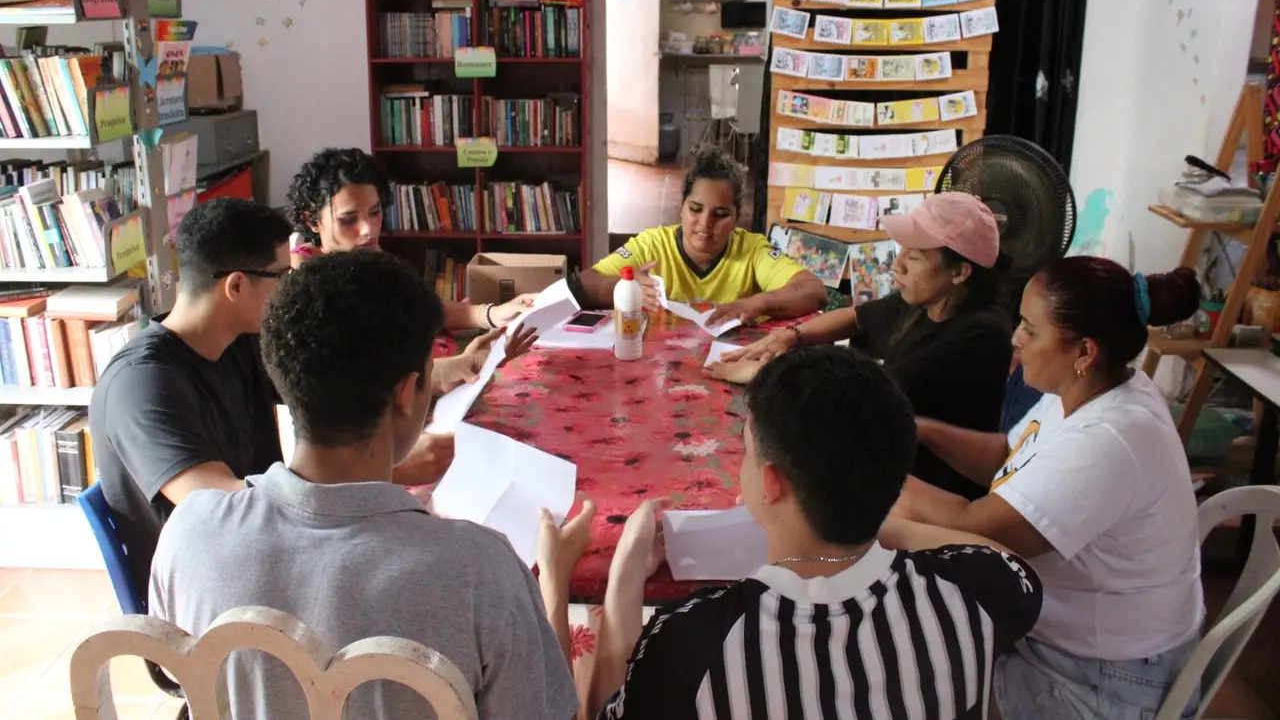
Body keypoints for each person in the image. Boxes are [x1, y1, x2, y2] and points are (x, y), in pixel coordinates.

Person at [150, 250, 579, 719]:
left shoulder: (189, 531)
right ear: (405, 393)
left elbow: (178, 676)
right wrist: (555, 585)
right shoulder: (482, 571)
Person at [588, 345, 1043, 719]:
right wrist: (864, 503)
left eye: (746, 452)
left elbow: (609, 709)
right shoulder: (978, 592)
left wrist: (626, 574)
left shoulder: (690, 640)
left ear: (771, 483)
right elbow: (1002, 556)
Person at [892, 257, 1204, 720]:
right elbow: (1009, 457)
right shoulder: (1096, 387)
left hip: (1105, 680)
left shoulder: (1109, 439)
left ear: (1084, 350)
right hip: (1085, 642)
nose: (1015, 338)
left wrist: (859, 470)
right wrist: (922, 430)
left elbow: (972, 530)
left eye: (1030, 329)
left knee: (901, 685)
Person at [712, 191, 1014, 500]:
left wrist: (764, 372)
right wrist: (789, 336)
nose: (896, 265)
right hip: (890, 459)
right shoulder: (928, 302)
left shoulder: (979, 336)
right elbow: (855, 317)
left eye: (913, 257)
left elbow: (864, 396)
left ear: (959, 272)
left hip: (934, 493)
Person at [89, 198, 293, 599]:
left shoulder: (238, 340)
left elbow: (329, 393)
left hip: (260, 559)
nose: (290, 291)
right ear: (236, 285)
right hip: (202, 605)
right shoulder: (141, 385)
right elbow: (222, 509)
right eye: (282, 277)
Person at [286, 147, 536, 330]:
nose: (368, 230)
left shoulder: (364, 255)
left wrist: (492, 314)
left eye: (375, 212)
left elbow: (416, 304)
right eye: (348, 219)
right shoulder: (304, 276)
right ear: (312, 221)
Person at [577, 148, 828, 325]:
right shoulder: (652, 245)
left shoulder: (751, 250)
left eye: (720, 214)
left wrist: (759, 302)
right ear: (682, 206)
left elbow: (814, 291)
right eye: (695, 209)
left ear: (737, 218)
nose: (705, 224)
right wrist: (626, 288)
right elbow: (583, 284)